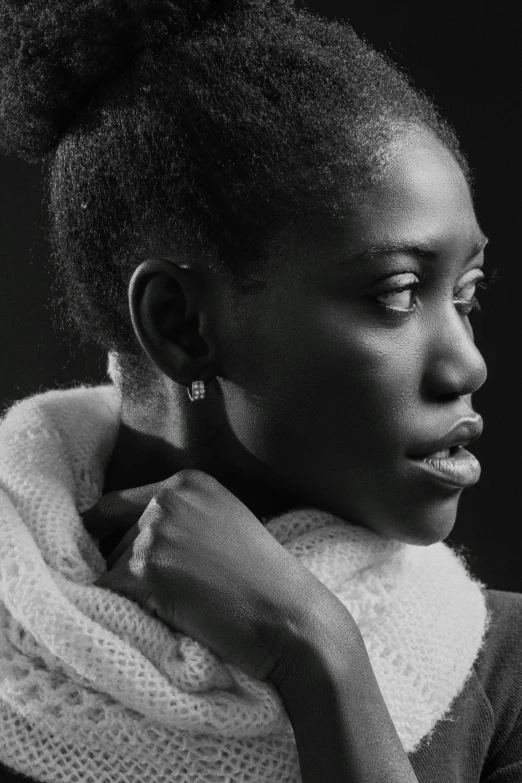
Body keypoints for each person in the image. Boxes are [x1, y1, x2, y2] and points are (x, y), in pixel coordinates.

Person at [0, 0, 520, 781]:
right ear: (181, 326)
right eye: (398, 293)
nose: (467, 365)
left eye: (466, 292)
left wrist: (314, 646)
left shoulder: (505, 671)